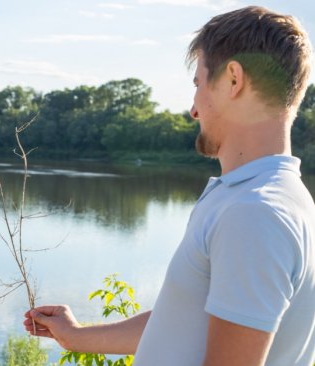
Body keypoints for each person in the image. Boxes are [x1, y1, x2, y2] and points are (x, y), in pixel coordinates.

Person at [24, 6, 315, 366]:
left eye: (198, 84)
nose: (194, 109)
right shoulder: (260, 196)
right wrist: (78, 336)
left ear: (233, 79)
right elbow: (184, 323)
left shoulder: (254, 213)